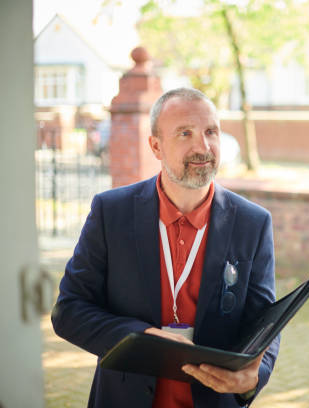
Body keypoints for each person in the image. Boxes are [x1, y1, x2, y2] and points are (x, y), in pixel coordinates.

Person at [51, 87, 279, 408]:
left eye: (210, 131)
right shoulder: (110, 212)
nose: (203, 146)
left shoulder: (252, 223)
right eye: (185, 133)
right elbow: (69, 311)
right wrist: (139, 338)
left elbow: (264, 323)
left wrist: (254, 377)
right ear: (156, 146)